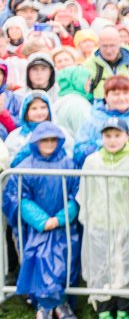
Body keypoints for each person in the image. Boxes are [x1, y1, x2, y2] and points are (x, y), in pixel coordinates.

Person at [1, 122, 80, 319]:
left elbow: (77, 196)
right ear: (36, 141)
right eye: (44, 140)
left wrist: (61, 219)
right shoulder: (25, 166)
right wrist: (42, 221)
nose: (49, 143)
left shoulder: (68, 164)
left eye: (53, 139)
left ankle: (60, 304)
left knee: (64, 264)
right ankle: (45, 306)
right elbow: (17, 197)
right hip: (35, 228)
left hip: (64, 227)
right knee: (39, 263)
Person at [78, 116, 129, 319]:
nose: (112, 140)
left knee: (126, 265)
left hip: (128, 224)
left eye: (117, 135)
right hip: (100, 224)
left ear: (127, 136)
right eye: (108, 135)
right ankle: (104, 308)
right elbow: (86, 193)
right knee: (101, 266)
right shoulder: (92, 161)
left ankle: (125, 308)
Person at [73, 75, 129, 165]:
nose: (121, 98)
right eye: (116, 94)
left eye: (125, 93)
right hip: (102, 170)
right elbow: (78, 153)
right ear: (106, 96)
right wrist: (105, 144)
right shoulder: (93, 119)